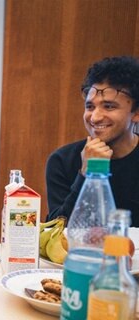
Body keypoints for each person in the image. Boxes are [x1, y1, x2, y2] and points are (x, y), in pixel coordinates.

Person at [46, 56, 139, 226]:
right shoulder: (62, 160)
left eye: (109, 106)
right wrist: (85, 174)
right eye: (90, 107)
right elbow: (56, 232)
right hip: (82, 252)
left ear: (136, 113)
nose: (95, 117)